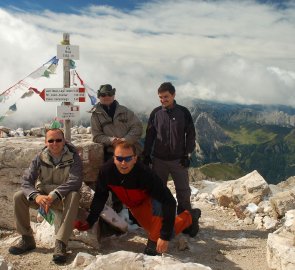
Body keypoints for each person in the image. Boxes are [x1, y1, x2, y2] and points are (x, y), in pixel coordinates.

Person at [74, 141, 201, 255]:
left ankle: (158, 238)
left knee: (156, 242)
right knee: (163, 231)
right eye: (119, 158)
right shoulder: (106, 172)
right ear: (114, 158)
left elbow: (169, 201)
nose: (123, 163)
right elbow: (100, 197)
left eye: (128, 158)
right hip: (134, 206)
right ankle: (190, 216)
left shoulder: (145, 174)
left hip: (151, 202)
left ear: (135, 159)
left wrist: (165, 237)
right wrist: (90, 221)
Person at [8, 128, 83, 264]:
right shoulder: (40, 157)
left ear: (64, 141)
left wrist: (54, 195)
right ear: (46, 142)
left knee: (74, 195)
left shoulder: (73, 157)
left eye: (58, 140)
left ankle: (61, 243)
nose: (55, 143)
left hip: (62, 198)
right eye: (51, 140)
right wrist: (36, 196)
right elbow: (26, 181)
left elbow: (75, 181)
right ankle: (27, 238)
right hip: (43, 199)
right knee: (19, 197)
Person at [143, 82, 196, 215]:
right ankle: (158, 219)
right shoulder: (156, 113)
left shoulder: (183, 112)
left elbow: (190, 134)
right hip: (159, 160)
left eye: (166, 96)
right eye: (160, 97)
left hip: (178, 160)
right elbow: (150, 136)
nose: (163, 100)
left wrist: (187, 155)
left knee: (183, 191)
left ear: (173, 95)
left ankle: (185, 220)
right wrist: (146, 155)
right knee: (158, 191)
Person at [90, 83, 143, 216]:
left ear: (113, 95)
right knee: (114, 180)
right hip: (113, 152)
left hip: (132, 149)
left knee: (138, 179)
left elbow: (137, 127)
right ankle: (118, 209)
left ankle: (138, 211)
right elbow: (96, 136)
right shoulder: (95, 115)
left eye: (109, 94)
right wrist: (110, 140)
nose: (106, 97)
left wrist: (125, 140)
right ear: (99, 96)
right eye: (103, 95)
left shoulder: (125, 111)